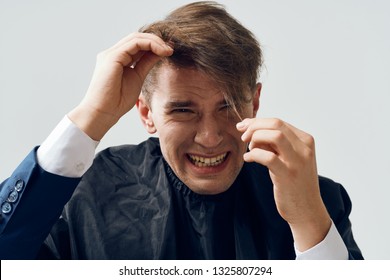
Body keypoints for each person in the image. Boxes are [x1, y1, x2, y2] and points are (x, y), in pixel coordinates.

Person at [0, 1, 362, 260]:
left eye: (228, 106)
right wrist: (91, 117)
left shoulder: (318, 200)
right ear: (146, 113)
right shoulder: (81, 198)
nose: (210, 136)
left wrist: (310, 225)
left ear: (255, 102)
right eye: (183, 111)